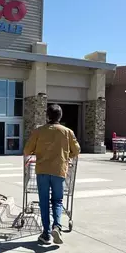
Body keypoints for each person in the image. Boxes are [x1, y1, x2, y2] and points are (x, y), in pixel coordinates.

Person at [24, 104, 80, 245]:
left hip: (42, 170)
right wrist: (67, 155)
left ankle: (46, 234)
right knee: (58, 200)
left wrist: (36, 152)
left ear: (47, 116)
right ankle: (57, 226)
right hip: (59, 170)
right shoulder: (68, 132)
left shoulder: (39, 131)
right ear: (60, 117)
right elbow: (76, 150)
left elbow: (27, 150)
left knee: (44, 202)